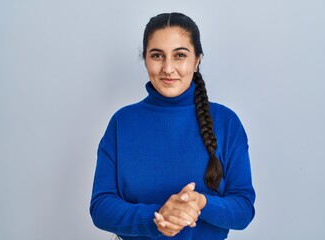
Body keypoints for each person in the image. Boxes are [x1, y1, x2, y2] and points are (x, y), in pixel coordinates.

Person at [90, 12, 255, 240]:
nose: (168, 68)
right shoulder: (122, 122)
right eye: (157, 55)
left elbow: (243, 210)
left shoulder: (227, 122)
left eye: (180, 55)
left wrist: (201, 203)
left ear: (197, 60)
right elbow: (101, 207)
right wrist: (157, 218)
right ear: (145, 59)